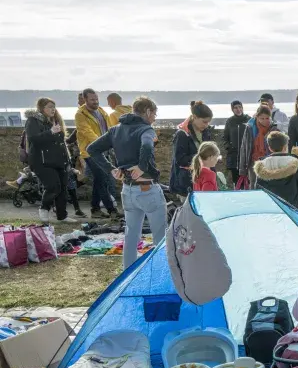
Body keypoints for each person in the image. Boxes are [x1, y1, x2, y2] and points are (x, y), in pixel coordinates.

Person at [86, 96, 166, 268]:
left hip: (127, 190)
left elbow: (92, 149)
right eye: (154, 114)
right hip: (147, 189)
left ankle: (127, 272)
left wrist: (110, 169)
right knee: (160, 235)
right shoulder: (147, 130)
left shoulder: (115, 130)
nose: (155, 118)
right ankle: (161, 272)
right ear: (147, 111)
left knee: (131, 235)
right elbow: (146, 146)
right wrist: (141, 166)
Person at [24, 98, 74, 223]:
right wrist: (50, 132)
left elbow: (61, 143)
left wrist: (68, 161)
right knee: (53, 186)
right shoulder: (33, 121)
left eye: (54, 106)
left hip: (58, 160)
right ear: (42, 108)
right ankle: (44, 208)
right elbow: (33, 139)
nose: (53, 109)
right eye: (50, 106)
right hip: (41, 161)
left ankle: (62, 215)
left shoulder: (54, 121)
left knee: (62, 188)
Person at [75, 88, 118, 218]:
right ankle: (112, 211)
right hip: (90, 151)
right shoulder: (80, 114)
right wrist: (101, 143)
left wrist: (113, 142)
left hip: (104, 150)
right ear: (85, 99)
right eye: (92, 100)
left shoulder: (101, 111)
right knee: (102, 178)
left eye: (97, 99)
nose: (95, 102)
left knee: (99, 180)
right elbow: (86, 131)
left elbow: (109, 128)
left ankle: (95, 209)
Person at [253, 131, 298, 211]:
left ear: (269, 148)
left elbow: (258, 190)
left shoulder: (262, 166)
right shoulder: (294, 163)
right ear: (285, 147)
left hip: (270, 208)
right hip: (294, 208)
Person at [169, 101, 214, 196]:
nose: (206, 125)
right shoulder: (182, 134)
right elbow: (180, 160)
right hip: (186, 183)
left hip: (203, 182)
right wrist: (202, 158)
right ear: (195, 117)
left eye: (208, 122)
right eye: (204, 122)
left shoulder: (206, 132)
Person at [237, 105, 279, 189]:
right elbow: (244, 148)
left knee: (270, 185)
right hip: (253, 161)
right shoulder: (250, 128)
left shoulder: (274, 128)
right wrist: (242, 169)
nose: (264, 121)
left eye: (267, 118)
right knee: (253, 184)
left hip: (269, 161)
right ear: (257, 117)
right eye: (262, 118)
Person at [222, 100, 250, 186]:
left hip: (247, 155)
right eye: (235, 108)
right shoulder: (229, 121)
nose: (238, 109)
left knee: (248, 180)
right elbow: (225, 137)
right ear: (232, 109)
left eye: (240, 107)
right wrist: (229, 147)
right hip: (234, 156)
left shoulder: (249, 119)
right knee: (236, 180)